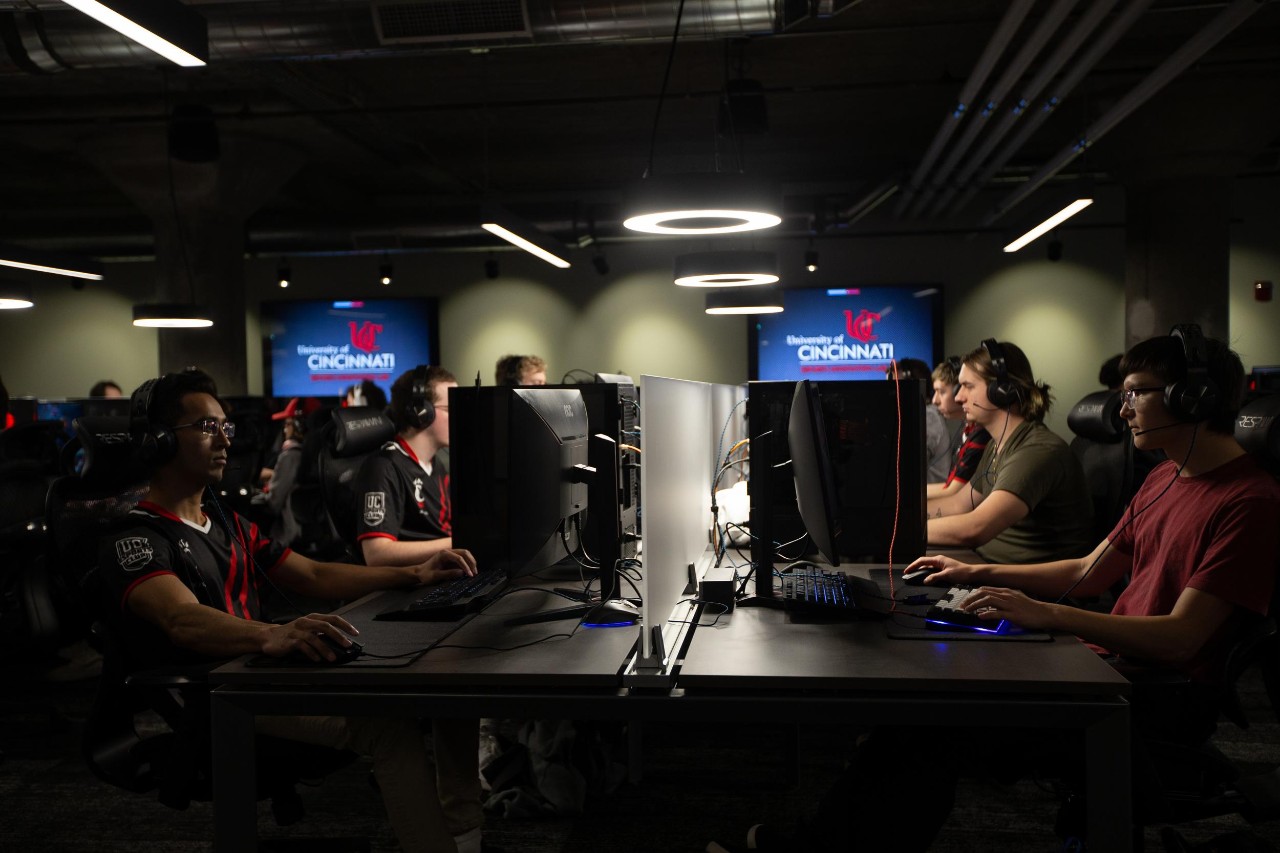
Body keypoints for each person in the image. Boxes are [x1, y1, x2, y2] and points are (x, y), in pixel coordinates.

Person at [708, 327, 1280, 853]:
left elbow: (1182, 640)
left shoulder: (1247, 502)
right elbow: (1089, 570)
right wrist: (979, 574)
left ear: (1193, 400)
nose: (1122, 407)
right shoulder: (1166, 476)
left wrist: (1048, 615)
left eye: (1137, 393)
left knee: (931, 726)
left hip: (1147, 698)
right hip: (1104, 667)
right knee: (920, 709)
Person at [99, 370, 488, 853]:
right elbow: (181, 618)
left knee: (438, 687)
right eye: (206, 427)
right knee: (389, 729)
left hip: (262, 674)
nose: (224, 439)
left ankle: (463, 834)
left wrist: (415, 574)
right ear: (158, 442)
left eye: (226, 427)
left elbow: (314, 576)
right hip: (220, 693)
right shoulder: (135, 538)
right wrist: (268, 635)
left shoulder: (225, 523)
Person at [925, 339, 1093, 563]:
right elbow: (959, 505)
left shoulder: (1037, 451)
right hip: (987, 567)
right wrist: (896, 519)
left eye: (968, 386)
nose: (958, 397)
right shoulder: (997, 445)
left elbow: (975, 528)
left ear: (1002, 391)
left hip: (1026, 588)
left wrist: (895, 531)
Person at [353, 365, 457, 566]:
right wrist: (461, 544)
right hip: (413, 588)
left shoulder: (436, 466)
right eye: (450, 407)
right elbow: (377, 554)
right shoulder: (383, 468)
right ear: (421, 412)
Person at [927, 357, 990, 499]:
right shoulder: (968, 429)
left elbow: (953, 491)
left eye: (941, 392)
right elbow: (949, 486)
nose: (934, 400)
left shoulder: (981, 433)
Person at [886, 358, 950, 483]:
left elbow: (906, 467)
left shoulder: (928, 416)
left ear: (911, 386)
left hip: (932, 499)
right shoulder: (918, 414)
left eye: (894, 387)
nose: (890, 393)